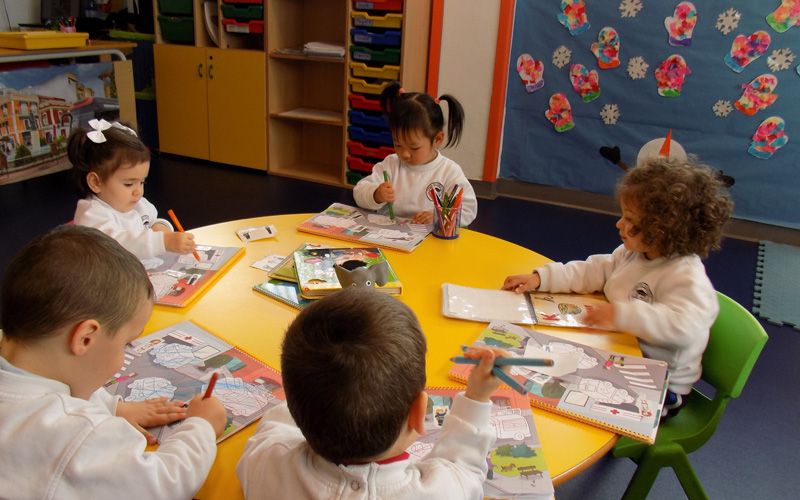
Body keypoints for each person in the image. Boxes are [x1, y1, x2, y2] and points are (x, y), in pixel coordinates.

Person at [0, 225, 227, 499]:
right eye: (125, 343)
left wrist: (113, 406)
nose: (123, 357)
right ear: (85, 338)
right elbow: (164, 482)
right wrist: (201, 427)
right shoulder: (77, 434)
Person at [502, 157, 733, 418]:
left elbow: (685, 327)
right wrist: (541, 279)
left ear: (663, 230)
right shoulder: (633, 253)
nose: (619, 224)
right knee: (543, 364)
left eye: (629, 219)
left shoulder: (686, 277)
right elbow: (595, 270)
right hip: (620, 355)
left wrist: (621, 315)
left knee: (560, 394)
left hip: (659, 387)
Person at [237, 287, 506, 498]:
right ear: (418, 413)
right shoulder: (444, 491)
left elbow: (277, 423)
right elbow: (465, 468)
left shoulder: (264, 462)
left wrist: (310, 387)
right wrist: (476, 398)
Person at [69, 119, 196, 268]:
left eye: (142, 182)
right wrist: (163, 241)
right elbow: (120, 244)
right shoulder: (92, 216)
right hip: (111, 282)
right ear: (96, 182)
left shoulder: (135, 202)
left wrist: (161, 228)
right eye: (129, 184)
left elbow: (152, 220)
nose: (138, 191)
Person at [353, 82, 478, 226]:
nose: (405, 154)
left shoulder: (449, 172)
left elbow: (468, 209)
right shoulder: (390, 164)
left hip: (429, 239)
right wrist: (376, 195)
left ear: (437, 139)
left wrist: (438, 216)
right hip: (388, 236)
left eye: (414, 147)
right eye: (398, 144)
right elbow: (359, 192)